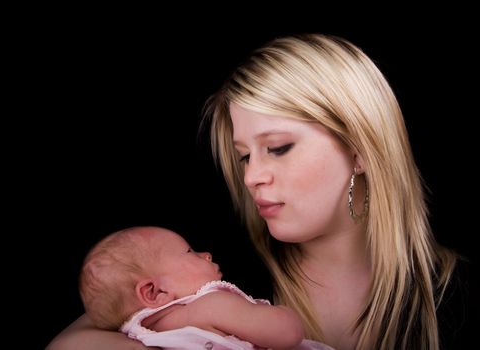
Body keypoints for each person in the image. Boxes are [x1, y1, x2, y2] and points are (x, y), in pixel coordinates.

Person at [47, 34, 477, 350]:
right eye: (244, 156)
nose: (252, 177)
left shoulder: (452, 294)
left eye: (278, 148)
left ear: (360, 150)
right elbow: (75, 340)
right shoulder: (217, 271)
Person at [70, 225, 331, 350]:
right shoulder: (208, 306)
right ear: (155, 292)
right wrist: (280, 313)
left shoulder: (142, 334)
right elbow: (287, 334)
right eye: (189, 251)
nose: (205, 254)